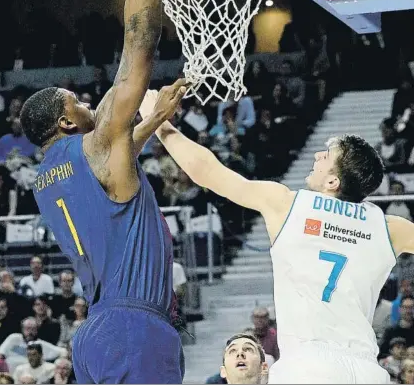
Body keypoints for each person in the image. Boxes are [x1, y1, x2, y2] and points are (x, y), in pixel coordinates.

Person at [19, 0, 189, 385]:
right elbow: (138, 44)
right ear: (67, 120)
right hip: (135, 327)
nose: (91, 103)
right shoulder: (96, 144)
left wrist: (148, 125)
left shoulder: (47, 177)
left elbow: (110, 182)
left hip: (94, 333)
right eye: (80, 101)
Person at [140, 87, 414, 384]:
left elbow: (207, 170)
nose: (319, 155)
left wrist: (161, 124)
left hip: (308, 365)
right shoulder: (389, 227)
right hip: (366, 371)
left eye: (327, 156)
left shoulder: (287, 204)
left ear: (333, 180)